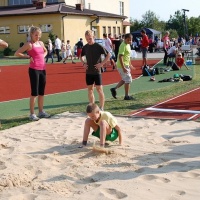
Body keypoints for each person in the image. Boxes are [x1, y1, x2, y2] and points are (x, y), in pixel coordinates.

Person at [14, 26, 50, 121]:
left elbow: (46, 51)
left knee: (41, 92)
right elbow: (17, 53)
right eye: (36, 35)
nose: (38, 37)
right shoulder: (29, 44)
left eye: (39, 35)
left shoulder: (41, 43)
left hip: (43, 69)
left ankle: (41, 112)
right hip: (34, 70)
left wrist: (43, 56)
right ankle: (32, 114)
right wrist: (27, 56)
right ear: (31, 35)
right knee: (35, 93)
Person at [80, 30, 110, 111]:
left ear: (93, 37)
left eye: (89, 38)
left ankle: (102, 107)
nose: (88, 40)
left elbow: (108, 55)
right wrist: (83, 63)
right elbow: (81, 56)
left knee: (99, 89)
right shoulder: (85, 47)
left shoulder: (98, 46)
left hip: (97, 72)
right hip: (88, 72)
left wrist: (102, 64)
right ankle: (92, 107)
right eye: (87, 39)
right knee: (90, 90)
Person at [110, 33, 135, 100]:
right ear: (125, 39)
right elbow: (120, 57)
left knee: (125, 79)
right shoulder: (123, 45)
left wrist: (130, 64)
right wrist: (123, 67)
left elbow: (127, 56)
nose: (130, 41)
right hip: (122, 65)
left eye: (131, 40)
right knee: (128, 80)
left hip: (126, 65)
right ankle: (126, 96)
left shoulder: (128, 45)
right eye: (128, 40)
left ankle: (114, 89)